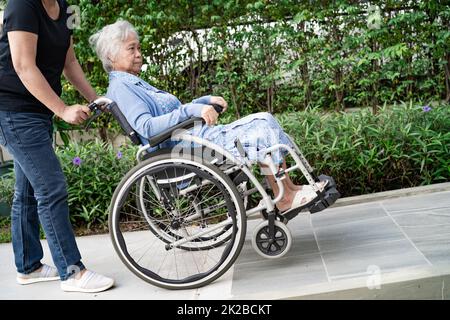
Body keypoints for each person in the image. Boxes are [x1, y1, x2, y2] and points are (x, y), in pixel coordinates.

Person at [89, 20, 327, 213]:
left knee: (264, 119)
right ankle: (283, 197)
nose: (139, 54)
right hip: (185, 150)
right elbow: (148, 128)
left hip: (192, 141)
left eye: (138, 47)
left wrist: (204, 102)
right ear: (111, 57)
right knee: (261, 129)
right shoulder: (122, 87)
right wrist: (193, 110)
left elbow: (171, 113)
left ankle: (288, 188)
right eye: (132, 49)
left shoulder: (133, 82)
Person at [0, 0, 114, 293]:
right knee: (51, 188)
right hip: (12, 109)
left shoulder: (68, 8)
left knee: (26, 192)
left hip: (36, 110)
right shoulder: (21, 6)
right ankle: (72, 272)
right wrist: (62, 109)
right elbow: (23, 66)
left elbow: (70, 61)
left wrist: (95, 98)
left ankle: (29, 267)